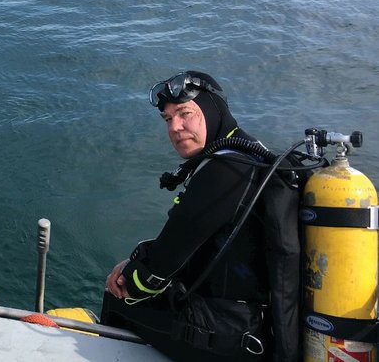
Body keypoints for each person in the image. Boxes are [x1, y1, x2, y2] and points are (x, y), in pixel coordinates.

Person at [100, 70, 289, 361]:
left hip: (231, 337)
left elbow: (158, 271)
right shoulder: (249, 155)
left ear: (214, 110)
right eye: (168, 119)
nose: (175, 127)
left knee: (117, 298)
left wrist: (127, 278)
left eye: (185, 113)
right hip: (256, 325)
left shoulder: (225, 170)